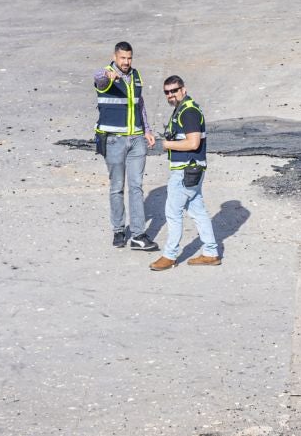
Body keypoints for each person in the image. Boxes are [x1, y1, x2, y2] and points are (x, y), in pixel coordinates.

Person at [149, 75, 220, 271]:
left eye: (174, 90)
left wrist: (167, 144)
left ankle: (170, 256)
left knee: (172, 213)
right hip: (193, 169)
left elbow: (193, 142)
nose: (171, 94)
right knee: (197, 211)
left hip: (185, 171)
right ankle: (211, 252)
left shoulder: (188, 112)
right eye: (167, 92)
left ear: (183, 89)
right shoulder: (184, 109)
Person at [93, 41, 157, 250]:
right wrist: (107, 76)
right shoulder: (107, 74)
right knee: (117, 187)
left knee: (136, 186)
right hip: (114, 140)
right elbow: (99, 80)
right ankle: (119, 230)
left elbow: (140, 103)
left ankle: (138, 234)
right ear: (115, 56)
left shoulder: (136, 75)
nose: (127, 62)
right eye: (123, 58)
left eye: (129, 58)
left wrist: (146, 129)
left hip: (137, 139)